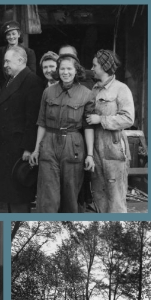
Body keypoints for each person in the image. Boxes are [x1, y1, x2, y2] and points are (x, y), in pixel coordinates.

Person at [28, 53, 95, 213]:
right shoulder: (48, 92)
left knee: (70, 198)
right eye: (62, 69)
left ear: (76, 70)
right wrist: (37, 149)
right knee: (48, 199)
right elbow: (42, 123)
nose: (65, 72)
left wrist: (90, 155)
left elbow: (88, 127)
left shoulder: (86, 94)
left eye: (69, 69)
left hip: (73, 146)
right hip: (49, 144)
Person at [0, 46, 43, 213]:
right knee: (9, 196)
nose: (4, 65)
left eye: (7, 61)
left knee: (18, 196)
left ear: (20, 60)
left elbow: (32, 117)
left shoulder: (31, 81)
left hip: (18, 149)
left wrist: (28, 147)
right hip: (6, 146)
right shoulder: (11, 80)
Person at [86, 49, 135, 213]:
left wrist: (102, 119)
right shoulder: (94, 90)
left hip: (114, 150)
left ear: (104, 67)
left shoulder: (121, 89)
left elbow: (128, 118)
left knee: (115, 198)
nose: (92, 68)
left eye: (95, 65)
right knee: (99, 195)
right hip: (96, 150)